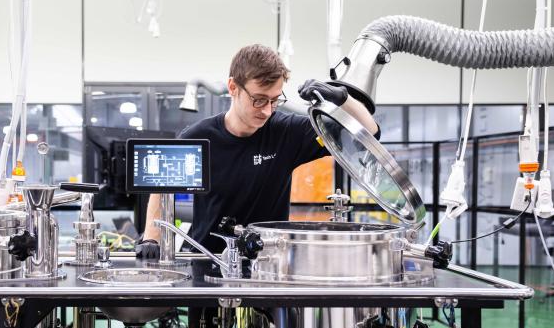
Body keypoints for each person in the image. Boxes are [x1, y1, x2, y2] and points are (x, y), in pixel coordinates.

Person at [137, 44, 381, 257]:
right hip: (207, 262)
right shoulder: (199, 138)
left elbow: (369, 132)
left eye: (275, 100)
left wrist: (341, 97)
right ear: (233, 87)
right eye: (259, 99)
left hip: (268, 266)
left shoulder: (287, 133)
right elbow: (162, 188)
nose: (267, 110)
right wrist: (151, 238)